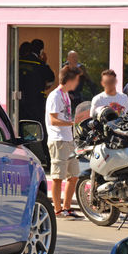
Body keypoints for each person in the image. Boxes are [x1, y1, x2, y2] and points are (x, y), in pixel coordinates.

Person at [45, 65, 83, 219]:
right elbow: (53, 120)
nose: (77, 84)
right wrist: (73, 123)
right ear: (70, 80)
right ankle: (58, 209)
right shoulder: (55, 96)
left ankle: (67, 208)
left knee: (74, 176)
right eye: (76, 80)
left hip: (68, 139)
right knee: (57, 177)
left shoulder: (66, 95)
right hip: (58, 140)